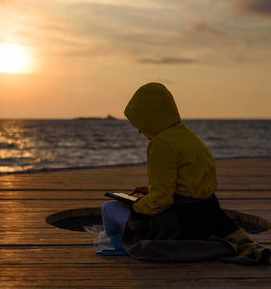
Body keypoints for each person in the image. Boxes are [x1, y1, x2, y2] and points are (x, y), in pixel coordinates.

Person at [102, 82, 239, 241]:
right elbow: (192, 186)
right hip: (208, 218)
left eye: (140, 124)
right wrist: (151, 192)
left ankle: (122, 243)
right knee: (136, 206)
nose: (139, 130)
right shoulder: (188, 135)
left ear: (149, 118)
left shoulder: (160, 143)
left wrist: (134, 205)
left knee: (108, 207)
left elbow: (161, 200)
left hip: (182, 225)